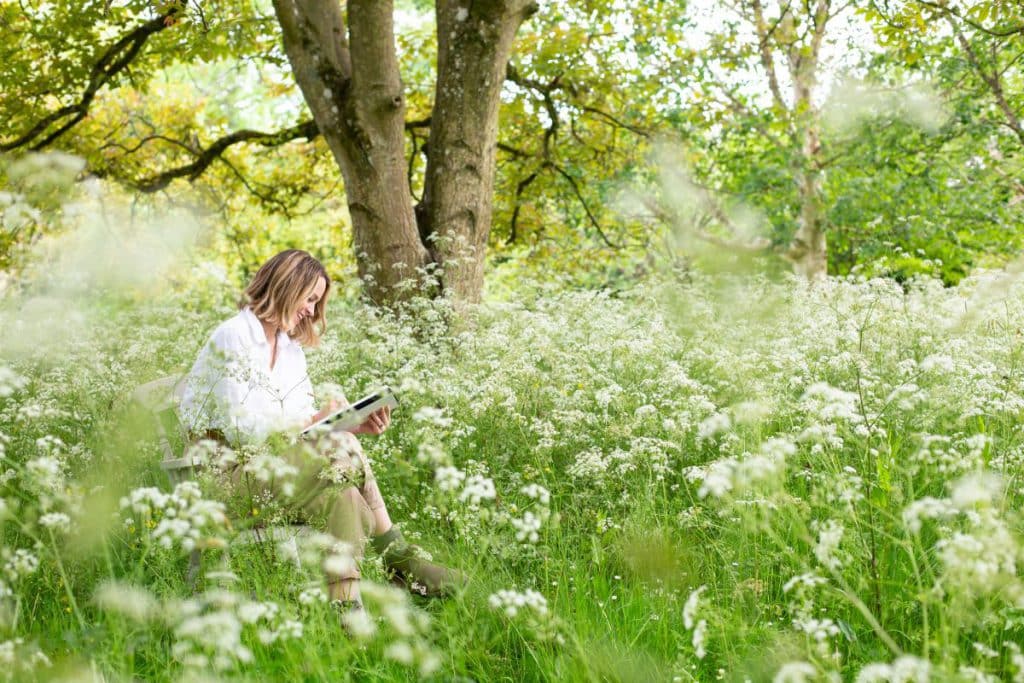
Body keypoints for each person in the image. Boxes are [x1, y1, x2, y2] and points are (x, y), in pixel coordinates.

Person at [178, 249, 462, 610]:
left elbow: (299, 431)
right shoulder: (233, 336)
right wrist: (319, 424)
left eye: (316, 302)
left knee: (344, 495)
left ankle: (348, 614)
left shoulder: (289, 348)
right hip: (226, 480)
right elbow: (243, 431)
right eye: (310, 299)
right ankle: (399, 560)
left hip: (277, 472)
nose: (312, 311)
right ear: (286, 286)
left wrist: (349, 424)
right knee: (337, 449)